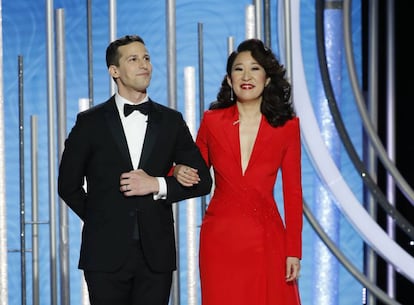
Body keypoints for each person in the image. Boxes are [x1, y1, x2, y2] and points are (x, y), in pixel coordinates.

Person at [57, 34, 212, 305]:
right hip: (104, 254)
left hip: (156, 254)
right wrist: (101, 217)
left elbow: (203, 182)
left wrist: (158, 184)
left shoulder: (171, 121)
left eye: (147, 58)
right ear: (114, 71)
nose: (144, 65)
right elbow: (67, 184)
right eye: (133, 59)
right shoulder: (89, 122)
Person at [174, 38, 303, 305]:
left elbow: (293, 192)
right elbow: (194, 167)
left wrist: (294, 251)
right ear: (230, 79)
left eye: (255, 68)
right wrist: (175, 170)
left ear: (267, 78)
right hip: (220, 239)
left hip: (267, 240)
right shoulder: (212, 121)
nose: (246, 76)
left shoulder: (287, 127)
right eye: (238, 69)